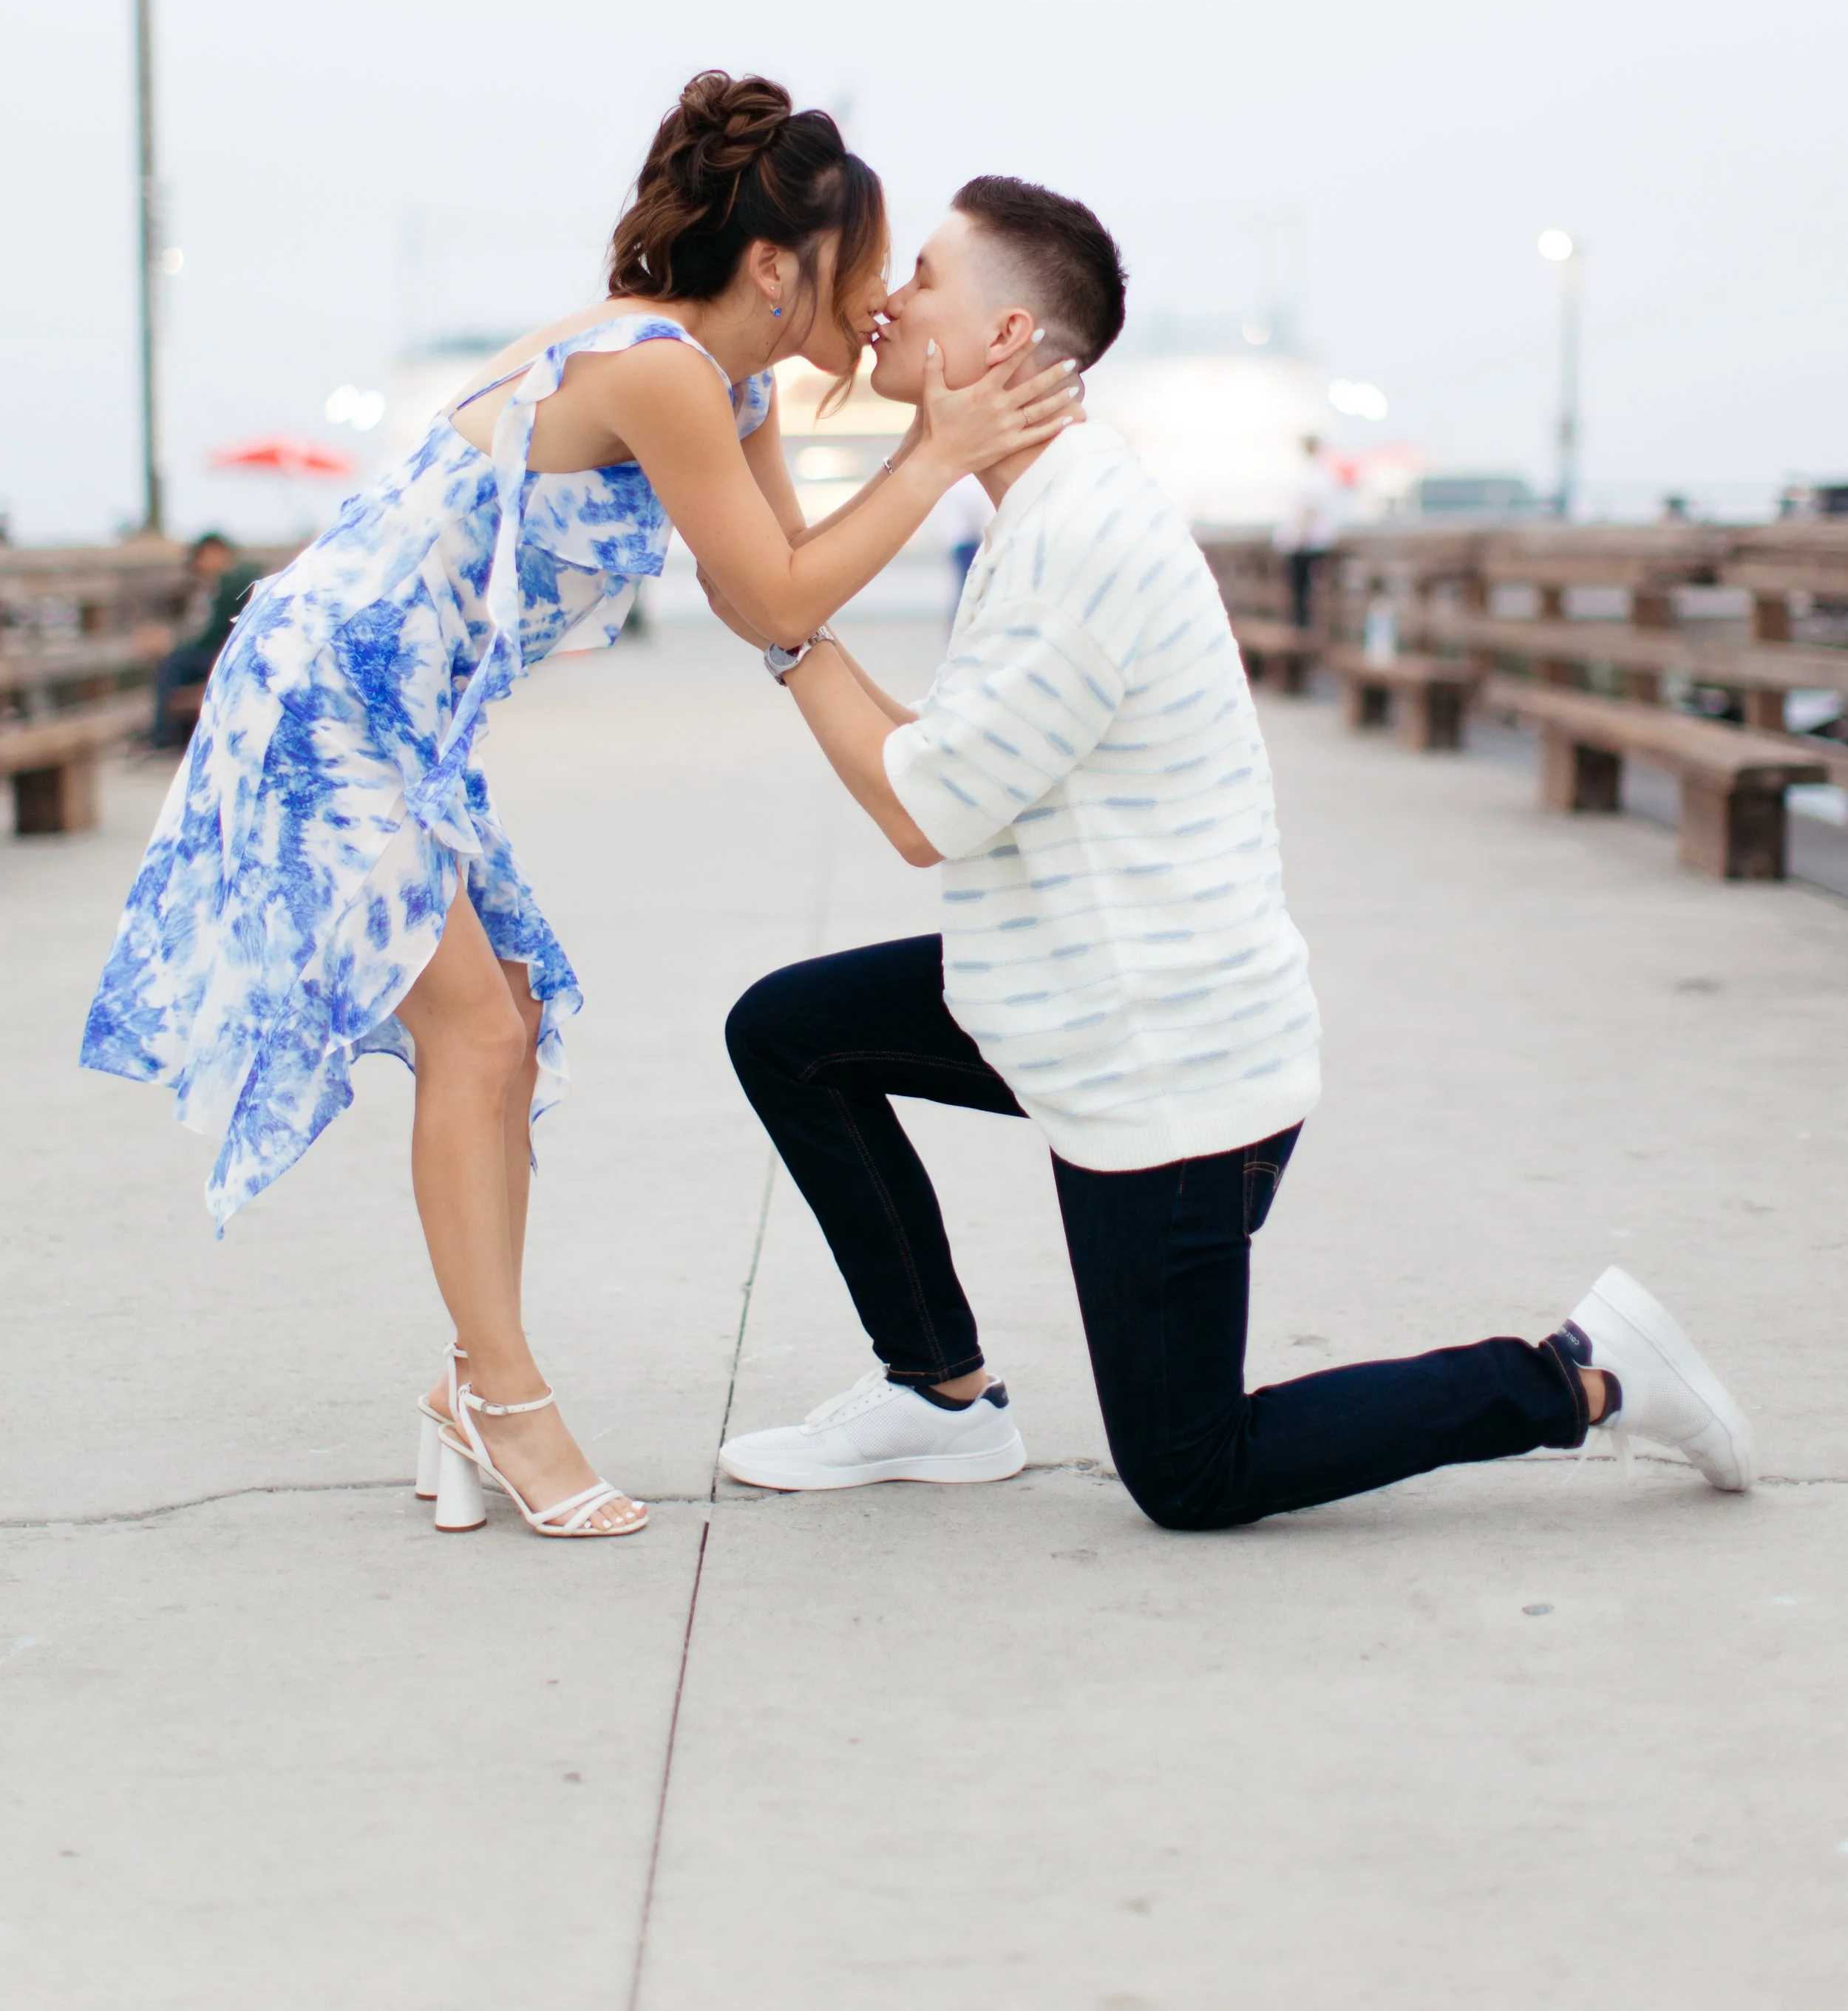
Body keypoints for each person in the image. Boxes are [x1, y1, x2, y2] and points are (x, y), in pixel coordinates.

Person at [81, 76, 1080, 1545]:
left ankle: (474, 1391)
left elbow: (769, 590)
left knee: (507, 1024)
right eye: (864, 262)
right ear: (774, 266)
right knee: (475, 1030)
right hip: (326, 698)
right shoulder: (657, 367)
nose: (877, 299)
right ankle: (502, 1398)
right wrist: (935, 454)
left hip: (398, 712)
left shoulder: (723, 385)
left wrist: (928, 512)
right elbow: (788, 594)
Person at [711, 176, 1755, 1524]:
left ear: (1008, 338)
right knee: (788, 1032)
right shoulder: (1044, 508)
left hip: (1169, 1060)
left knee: (1191, 1473)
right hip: (1072, 987)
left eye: (922, 276)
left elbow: (921, 811)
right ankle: (937, 1395)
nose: (890, 300)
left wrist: (792, 639)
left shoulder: (1083, 537)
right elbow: (955, 758)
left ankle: (1581, 1376)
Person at [149, 532, 265, 749]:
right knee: (174, 664)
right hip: (225, 652)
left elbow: (214, 633)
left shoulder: (234, 581)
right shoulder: (216, 586)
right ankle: (173, 734)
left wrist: (174, 646)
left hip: (224, 653)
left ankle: (163, 735)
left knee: (174, 663)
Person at [1272, 431, 1337, 631]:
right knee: (1303, 588)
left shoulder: (1313, 474)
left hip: (1307, 541)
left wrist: (1298, 537)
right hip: (1310, 539)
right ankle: (1302, 625)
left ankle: (1303, 627)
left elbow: (1309, 508)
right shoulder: (1319, 472)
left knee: (1302, 588)